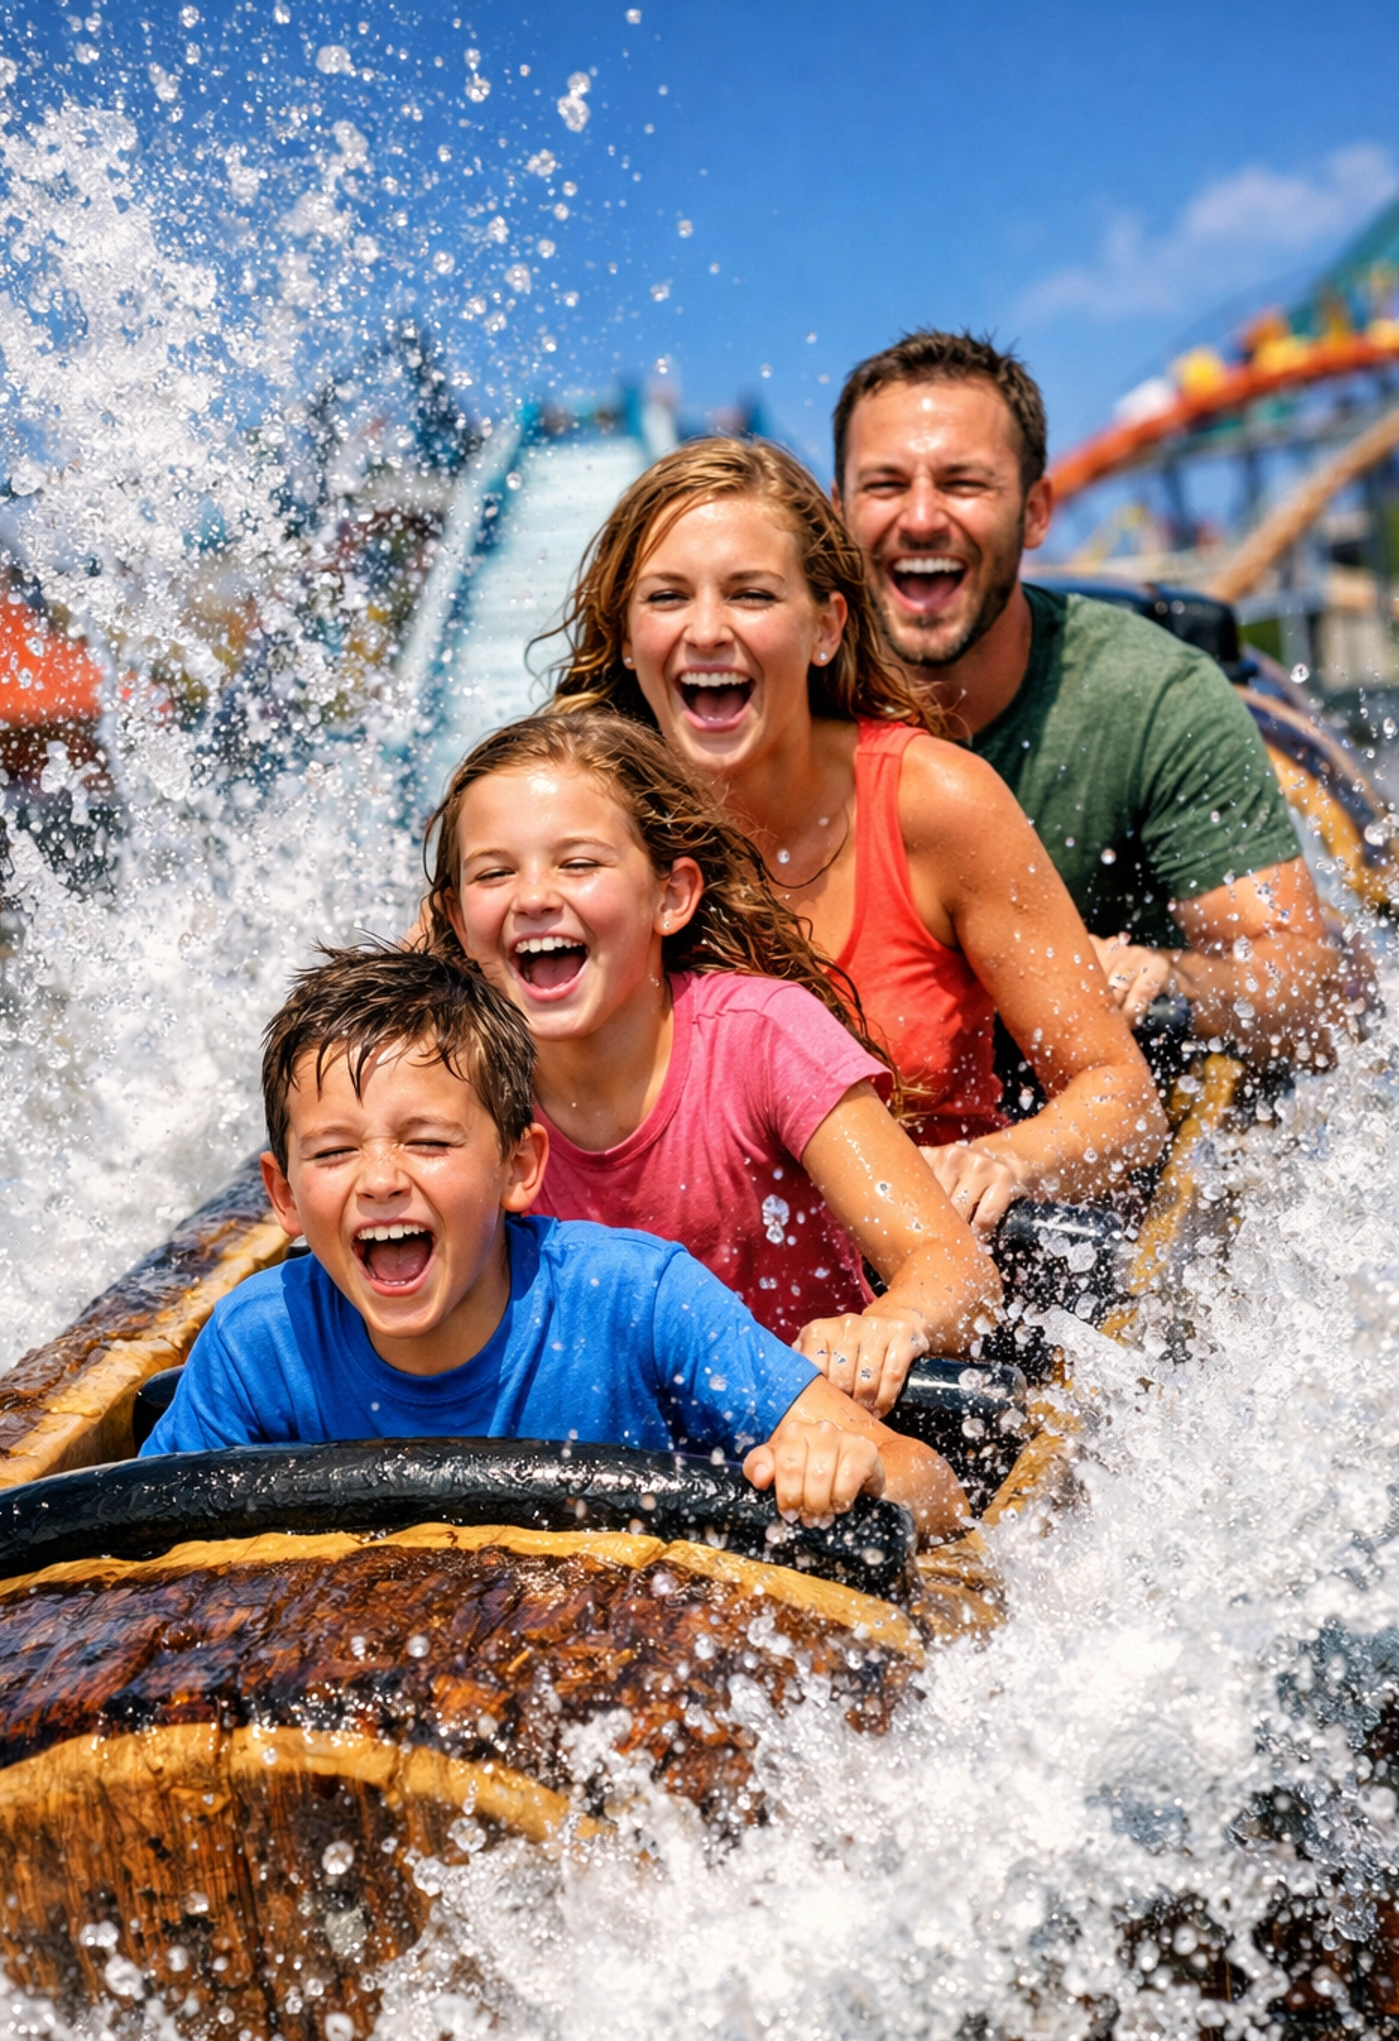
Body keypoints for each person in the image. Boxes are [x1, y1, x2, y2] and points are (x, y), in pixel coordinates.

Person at [544, 436, 1167, 1238]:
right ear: (626, 637)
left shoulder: (936, 805)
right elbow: (413, 1047)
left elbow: (1120, 1100)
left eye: (751, 596)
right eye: (667, 598)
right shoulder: (555, 827)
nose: (705, 631)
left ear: (826, 628)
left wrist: (1005, 1159)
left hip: (912, 1292)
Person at [141, 944, 967, 1540]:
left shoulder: (635, 1302)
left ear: (520, 1166)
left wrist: (849, 1473)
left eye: (428, 1141)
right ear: (283, 1196)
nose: (380, 1179)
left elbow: (931, 1487)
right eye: (333, 1152)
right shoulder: (259, 1346)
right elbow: (133, 1561)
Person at [422, 707, 1001, 1415]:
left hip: (811, 1455)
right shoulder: (450, 1090)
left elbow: (954, 1268)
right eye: (494, 873)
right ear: (457, 921)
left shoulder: (765, 1038)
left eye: (579, 863)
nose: (535, 896)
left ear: (671, 896)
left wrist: (888, 1326)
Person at [830, 329, 1345, 1065]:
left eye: (963, 483)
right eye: (884, 485)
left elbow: (1306, 988)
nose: (919, 517)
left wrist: (1169, 976)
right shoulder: (785, 700)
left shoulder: (1153, 698)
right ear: (835, 509)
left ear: (1037, 511)